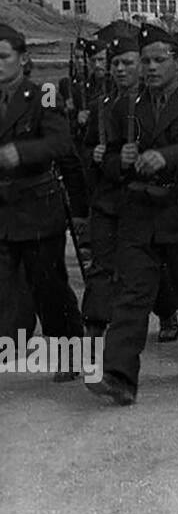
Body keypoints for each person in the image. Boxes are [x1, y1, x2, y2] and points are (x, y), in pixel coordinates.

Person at [91, 25, 178, 405]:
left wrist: (166, 156)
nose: (149, 68)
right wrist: (119, 161)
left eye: (158, 60)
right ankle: (119, 373)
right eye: (145, 61)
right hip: (139, 210)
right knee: (131, 292)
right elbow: (108, 160)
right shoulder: (124, 107)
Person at [0, 23, 85, 372]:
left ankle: (70, 354)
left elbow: (61, 143)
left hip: (36, 208)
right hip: (3, 211)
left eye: (3, 56)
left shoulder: (44, 94)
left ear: (23, 59)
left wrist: (22, 152)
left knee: (49, 286)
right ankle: (10, 344)